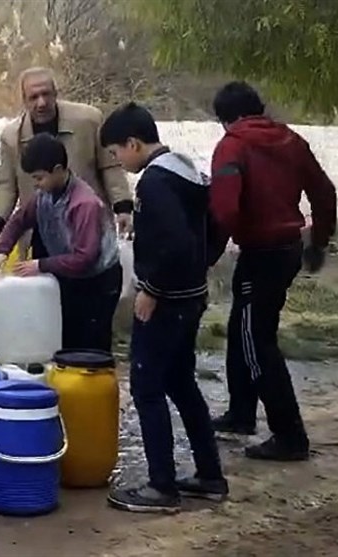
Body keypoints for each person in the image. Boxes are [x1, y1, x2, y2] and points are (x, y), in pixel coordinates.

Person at [100, 103, 227, 513]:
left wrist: (152, 288)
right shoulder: (187, 170)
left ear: (133, 143)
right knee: (182, 384)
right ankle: (210, 476)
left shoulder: (155, 182)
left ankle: (161, 486)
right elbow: (216, 226)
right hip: (190, 296)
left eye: (118, 152)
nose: (118, 161)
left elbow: (176, 241)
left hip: (166, 302)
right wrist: (198, 270)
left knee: (147, 387)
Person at [207, 82, 337, 461]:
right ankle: (241, 414)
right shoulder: (291, 140)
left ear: (225, 118)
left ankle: (289, 435)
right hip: (288, 249)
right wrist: (320, 241)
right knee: (242, 328)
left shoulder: (232, 145)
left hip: (261, 252)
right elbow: (324, 191)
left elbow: (226, 208)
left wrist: (207, 255)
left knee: (257, 340)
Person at [0, 133, 122, 353]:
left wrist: (40, 265)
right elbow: (20, 219)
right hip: (68, 273)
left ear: (58, 170)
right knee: (64, 338)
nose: (36, 184)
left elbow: (85, 257)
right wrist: (2, 252)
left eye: (39, 178)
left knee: (91, 345)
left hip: (98, 279)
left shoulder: (84, 204)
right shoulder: (45, 194)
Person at [0, 67, 133, 262]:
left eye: (46, 94)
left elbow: (110, 166)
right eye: (33, 97)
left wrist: (123, 207)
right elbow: (6, 186)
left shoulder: (88, 121)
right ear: (24, 100)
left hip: (86, 221)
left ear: (56, 94)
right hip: (43, 229)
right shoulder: (12, 137)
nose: (41, 103)